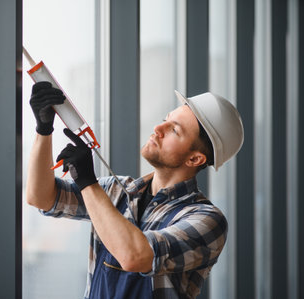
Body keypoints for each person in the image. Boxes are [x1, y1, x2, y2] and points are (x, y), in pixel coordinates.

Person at [25, 81, 244, 299]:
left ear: (195, 158)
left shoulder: (206, 220)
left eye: (174, 130)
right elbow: (41, 197)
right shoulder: (117, 190)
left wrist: (87, 183)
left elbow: (136, 256)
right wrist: (44, 130)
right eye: (165, 120)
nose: (158, 129)